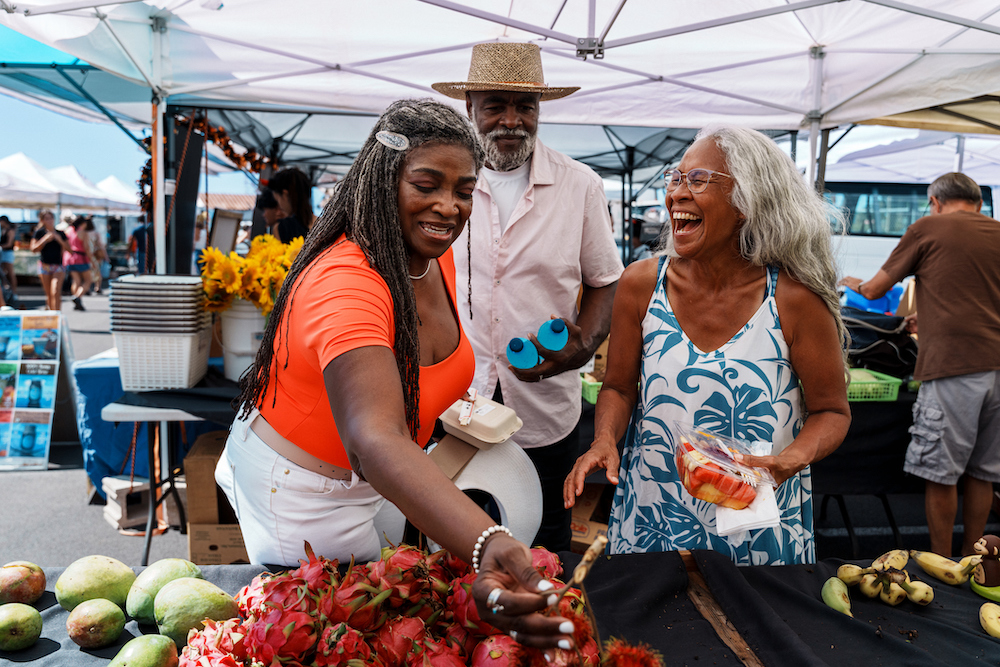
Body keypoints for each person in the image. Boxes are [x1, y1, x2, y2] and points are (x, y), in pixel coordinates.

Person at [214, 99, 574, 649]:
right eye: (426, 185)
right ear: (384, 179)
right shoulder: (347, 283)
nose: (448, 207)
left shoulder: (432, 256)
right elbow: (375, 439)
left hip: (372, 490)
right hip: (303, 499)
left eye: (462, 190)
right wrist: (490, 544)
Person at [564, 126, 851, 565]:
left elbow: (831, 411)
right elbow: (619, 388)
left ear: (746, 202)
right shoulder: (642, 284)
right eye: (675, 179)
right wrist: (604, 439)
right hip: (655, 518)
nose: (678, 193)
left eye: (697, 180)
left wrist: (789, 461)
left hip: (756, 527)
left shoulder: (794, 300)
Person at [433, 43, 625, 553]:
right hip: (455, 396)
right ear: (469, 106)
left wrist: (581, 348)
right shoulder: (444, 185)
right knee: (454, 539)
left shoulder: (579, 185)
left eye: (526, 106)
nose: (512, 121)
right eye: (496, 105)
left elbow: (607, 281)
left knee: (544, 541)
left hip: (544, 401)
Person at [840, 172, 1000, 557]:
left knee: (942, 473)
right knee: (984, 474)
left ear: (935, 201)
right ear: (978, 203)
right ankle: (975, 557)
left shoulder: (928, 227)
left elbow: (876, 289)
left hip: (953, 366)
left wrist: (851, 282)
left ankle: (943, 564)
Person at [30, 210, 71, 311]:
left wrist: (59, 239)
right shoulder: (39, 233)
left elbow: (70, 249)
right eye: (47, 219)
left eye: (51, 218)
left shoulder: (60, 233)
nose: (50, 221)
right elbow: (33, 249)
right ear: (43, 220)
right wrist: (44, 240)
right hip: (45, 265)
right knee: (48, 294)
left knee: (55, 291)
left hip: (58, 265)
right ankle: (51, 317)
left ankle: (57, 315)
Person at [267, 167, 314, 243]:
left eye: (278, 199)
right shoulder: (324, 223)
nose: (280, 206)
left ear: (285, 195)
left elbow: (280, 254)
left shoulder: (282, 228)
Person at [63, 216, 94, 311]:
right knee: (88, 280)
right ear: (82, 224)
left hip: (69, 257)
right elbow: (86, 248)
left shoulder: (68, 230)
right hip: (81, 258)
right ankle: (77, 297)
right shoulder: (83, 233)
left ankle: (77, 301)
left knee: (76, 281)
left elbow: (65, 244)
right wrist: (92, 260)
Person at [0, 216, 17, 297]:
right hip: (3, 253)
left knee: (10, 273)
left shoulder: (10, 230)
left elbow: (9, 244)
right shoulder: (3, 230)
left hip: (8, 253)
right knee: (3, 273)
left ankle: (14, 292)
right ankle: (6, 291)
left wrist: (1, 246)